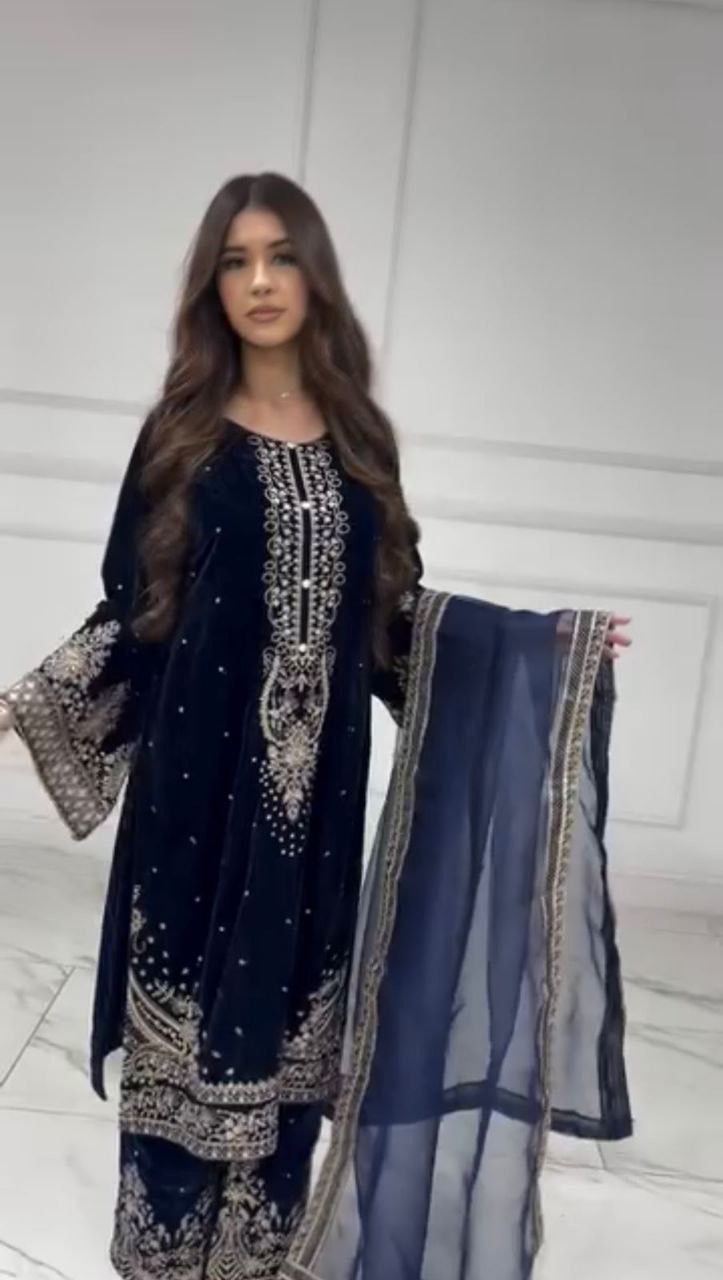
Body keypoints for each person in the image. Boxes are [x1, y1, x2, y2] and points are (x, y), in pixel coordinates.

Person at [0, 172, 632, 1280]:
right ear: (211, 286)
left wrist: (544, 653)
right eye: (235, 261)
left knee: (290, 1062)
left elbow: (392, 625)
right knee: (182, 1059)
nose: (259, 281)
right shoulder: (180, 435)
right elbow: (132, 617)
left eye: (281, 256)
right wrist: (16, 710)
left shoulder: (359, 441)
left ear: (315, 276)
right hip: (192, 810)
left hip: (314, 824)